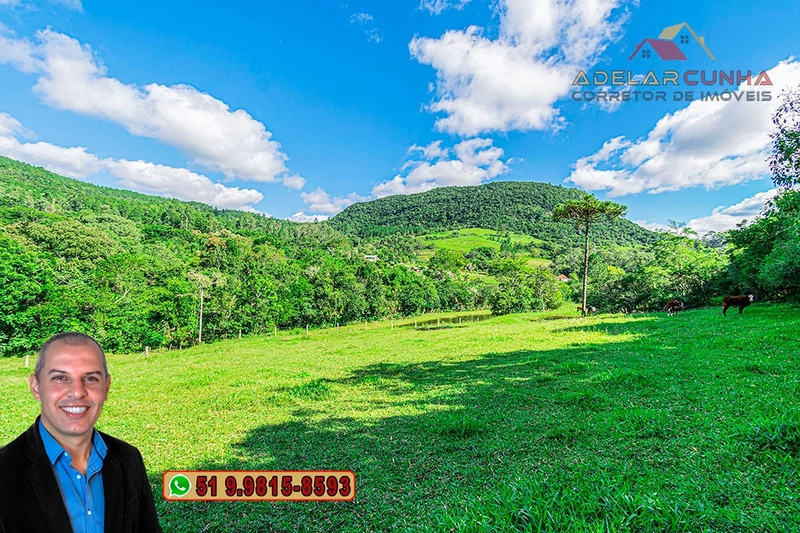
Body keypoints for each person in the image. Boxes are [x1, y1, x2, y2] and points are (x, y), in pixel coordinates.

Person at [0, 332, 162, 533]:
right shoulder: (4, 470)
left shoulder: (129, 458)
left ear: (106, 387)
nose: (77, 392)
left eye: (90, 378)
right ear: (36, 387)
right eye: (60, 378)